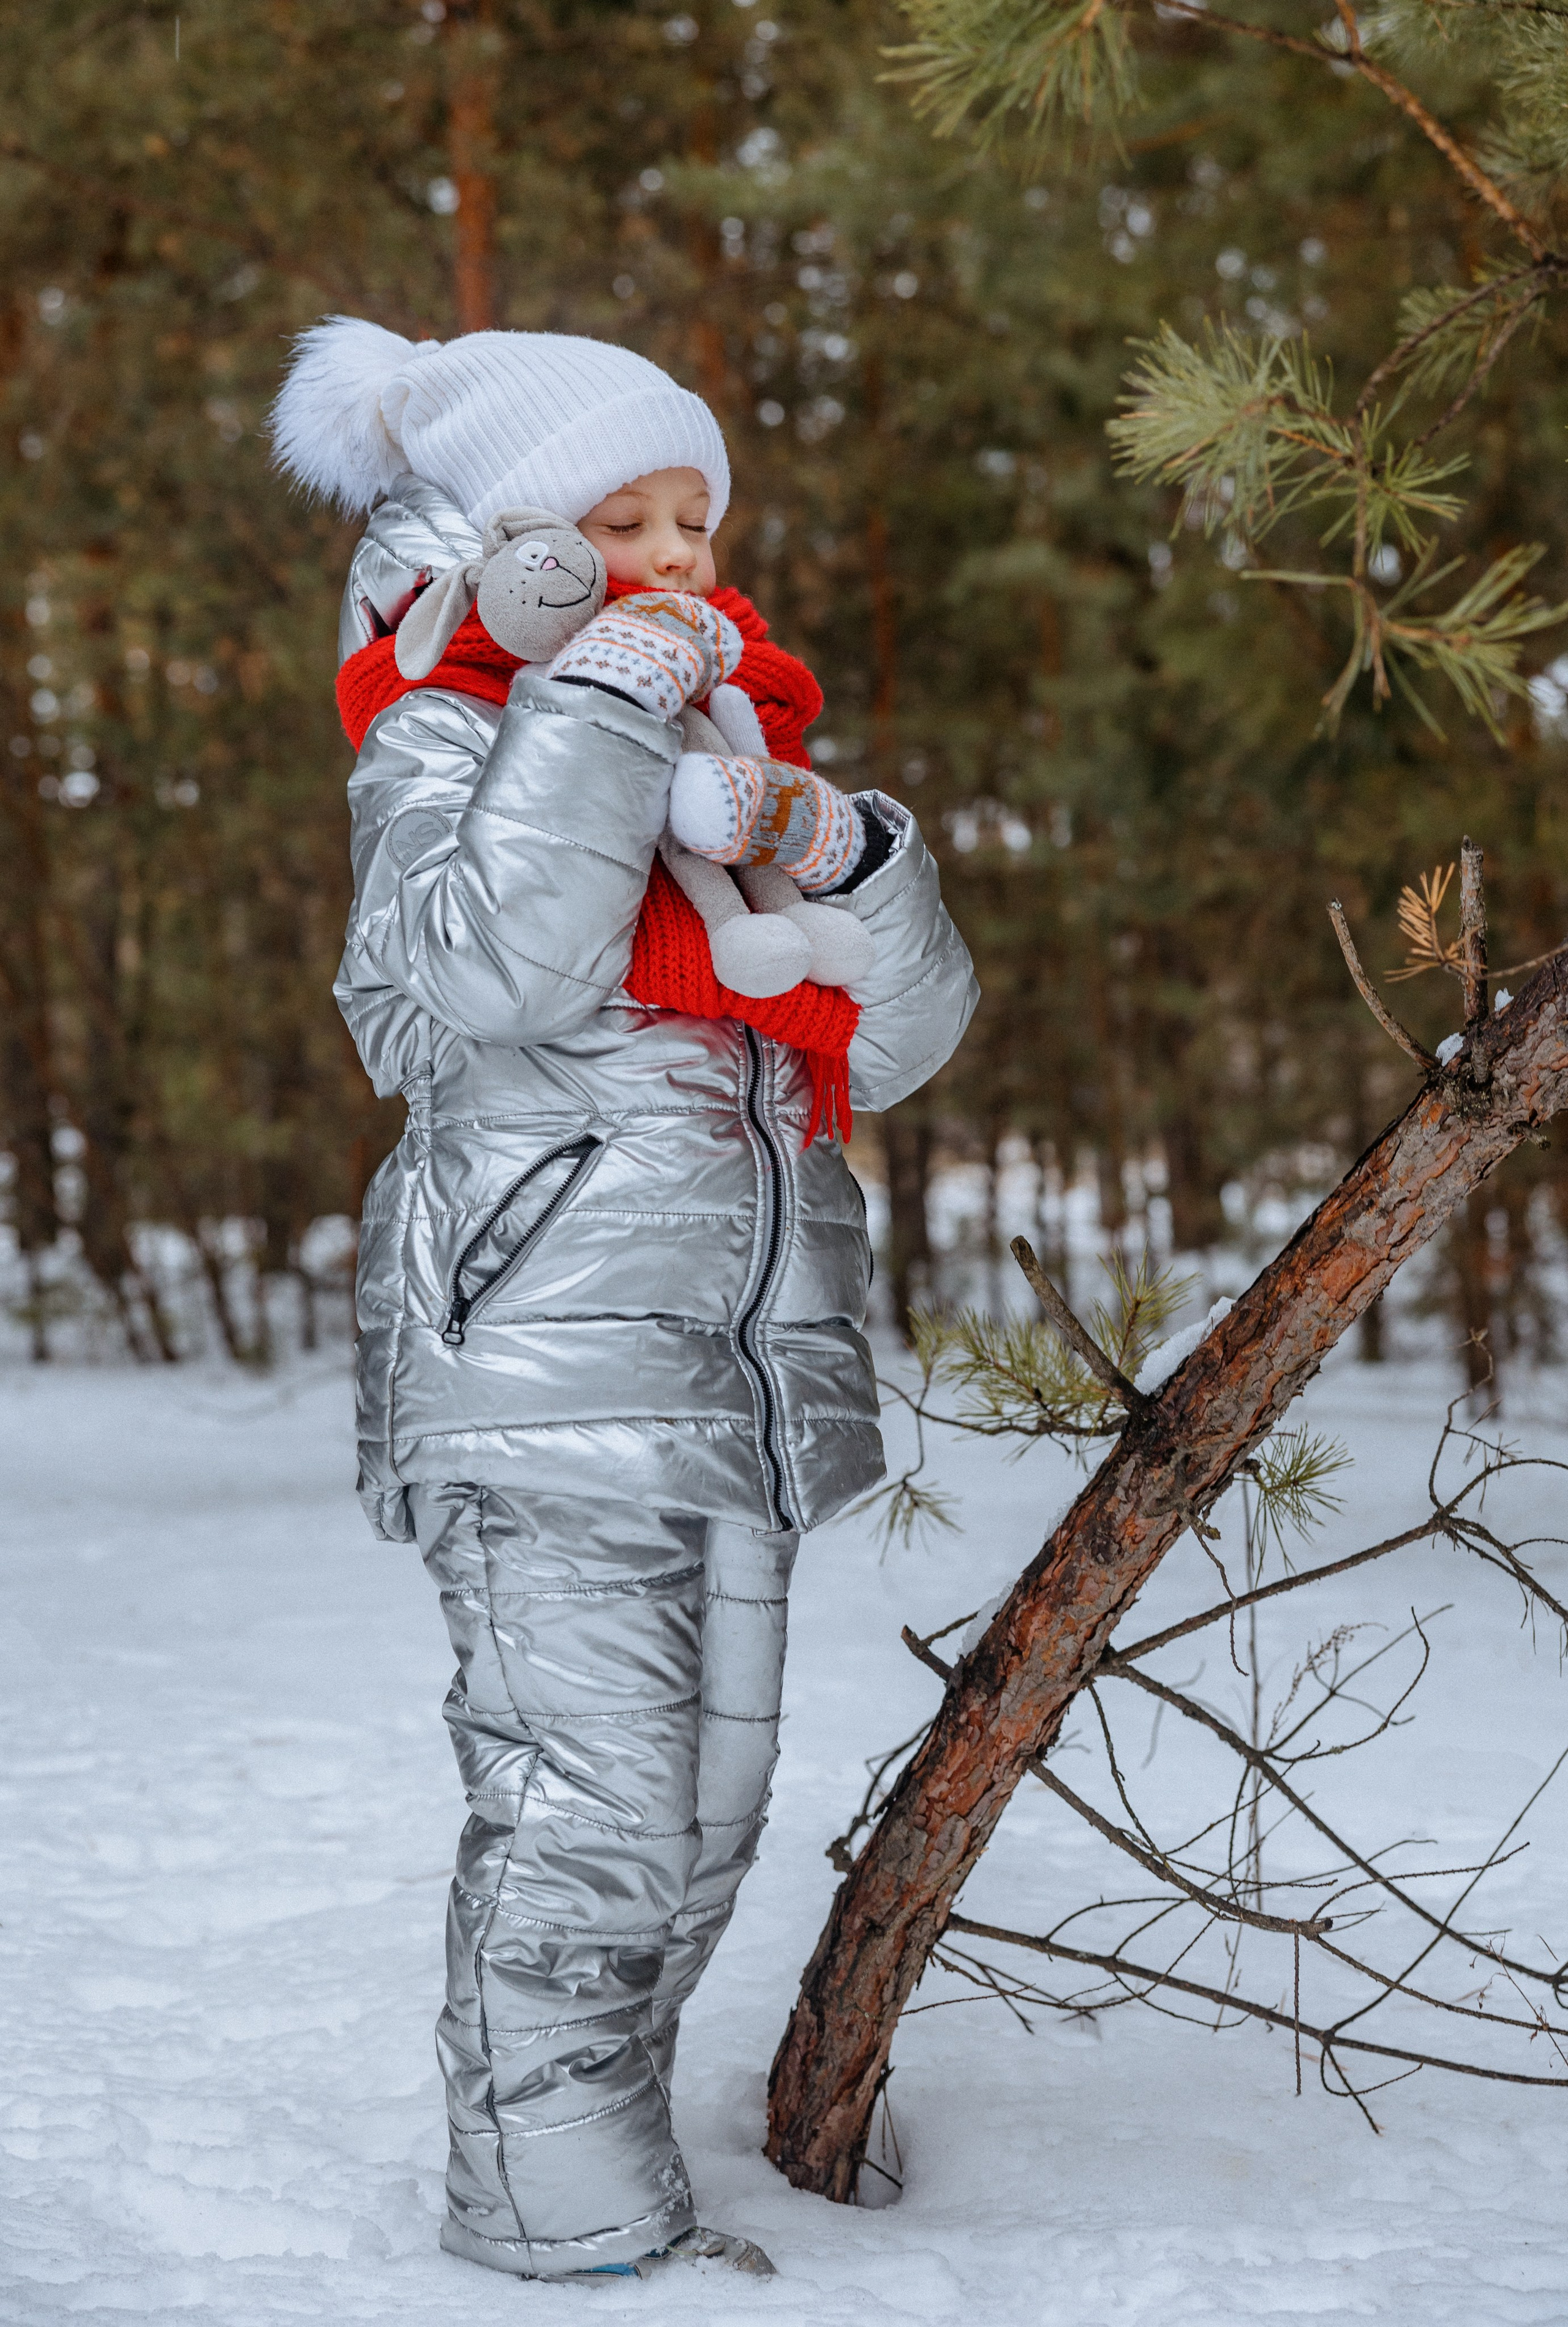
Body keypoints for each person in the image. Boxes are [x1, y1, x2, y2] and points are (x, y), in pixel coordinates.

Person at [271, 319, 977, 2283]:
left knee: (711, 1821)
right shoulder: (442, 735)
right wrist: (587, 710)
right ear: (519, 549)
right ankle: (564, 2241)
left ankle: (592, 2158)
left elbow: (899, 1046)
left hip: (738, 1369)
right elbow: (476, 981)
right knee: (587, 1813)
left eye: (698, 519)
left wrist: (854, 861)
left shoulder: (726, 751)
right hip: (542, 1351)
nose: (680, 559)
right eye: (625, 522)